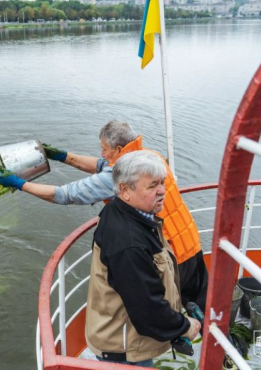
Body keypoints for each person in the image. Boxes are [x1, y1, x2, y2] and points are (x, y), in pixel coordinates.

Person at [0, 120, 208, 310]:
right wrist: (63, 157)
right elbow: (102, 166)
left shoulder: (123, 175)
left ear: (118, 149)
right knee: (202, 304)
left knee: (169, 307)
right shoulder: (150, 155)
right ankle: (218, 338)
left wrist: (21, 184)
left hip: (172, 257)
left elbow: (65, 195)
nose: (101, 153)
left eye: (104, 149)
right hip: (190, 243)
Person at [85, 150, 201, 366]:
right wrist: (185, 326)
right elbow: (146, 307)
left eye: (162, 183)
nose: (162, 192)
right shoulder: (127, 242)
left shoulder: (133, 215)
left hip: (127, 338)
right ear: (124, 190)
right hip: (122, 349)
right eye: (152, 186)